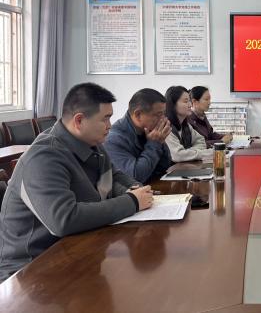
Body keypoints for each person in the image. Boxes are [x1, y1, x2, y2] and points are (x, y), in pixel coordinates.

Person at [0, 83, 153, 282]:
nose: (110, 125)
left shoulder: (93, 144)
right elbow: (64, 220)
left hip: (75, 250)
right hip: (30, 271)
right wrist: (132, 201)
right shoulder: (43, 157)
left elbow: (113, 176)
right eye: (105, 118)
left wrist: (137, 190)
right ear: (79, 121)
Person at [104, 88, 172, 183]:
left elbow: (164, 166)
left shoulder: (148, 130)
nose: (163, 119)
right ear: (138, 115)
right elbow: (135, 177)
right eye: (158, 115)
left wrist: (161, 141)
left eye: (164, 114)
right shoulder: (114, 139)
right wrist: (154, 144)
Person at [164, 86, 213, 162]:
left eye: (190, 101)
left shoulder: (186, 125)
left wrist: (187, 152)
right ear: (173, 104)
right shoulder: (166, 127)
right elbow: (178, 156)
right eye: (186, 101)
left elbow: (201, 141)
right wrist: (205, 153)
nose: (190, 105)